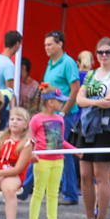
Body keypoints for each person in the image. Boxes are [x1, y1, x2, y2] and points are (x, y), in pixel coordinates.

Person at [73, 37, 110, 219]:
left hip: (106, 124)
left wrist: (90, 101)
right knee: (85, 174)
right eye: (100, 52)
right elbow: (79, 99)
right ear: (96, 55)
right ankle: (89, 218)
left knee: (101, 174)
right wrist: (96, 102)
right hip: (88, 123)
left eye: (108, 52)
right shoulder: (91, 74)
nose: (104, 56)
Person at [26, 87, 75, 219]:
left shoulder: (60, 119)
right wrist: (31, 154)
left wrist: (74, 149)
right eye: (60, 101)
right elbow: (29, 139)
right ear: (51, 102)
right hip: (42, 161)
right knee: (38, 192)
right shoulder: (36, 119)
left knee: (53, 193)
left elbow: (61, 141)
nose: (62, 104)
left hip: (58, 159)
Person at [40, 31, 80, 205]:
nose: (46, 48)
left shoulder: (68, 63)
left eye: (50, 44)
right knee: (60, 152)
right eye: (45, 45)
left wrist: (63, 112)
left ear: (60, 44)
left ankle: (70, 193)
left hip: (64, 115)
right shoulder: (50, 64)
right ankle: (69, 192)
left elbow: (75, 89)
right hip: (52, 114)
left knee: (59, 151)